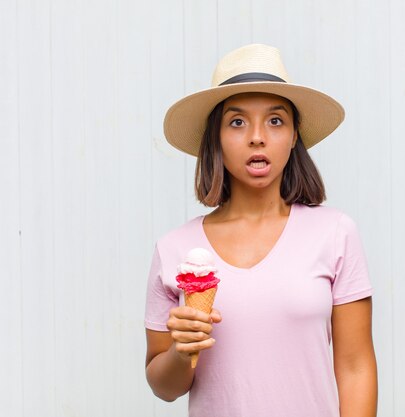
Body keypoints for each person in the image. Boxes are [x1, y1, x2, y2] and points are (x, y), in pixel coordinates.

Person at [144, 44, 377, 417]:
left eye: (275, 120)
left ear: (294, 135)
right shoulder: (175, 248)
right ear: (215, 138)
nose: (257, 137)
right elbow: (163, 387)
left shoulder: (335, 233)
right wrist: (180, 351)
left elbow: (355, 367)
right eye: (237, 122)